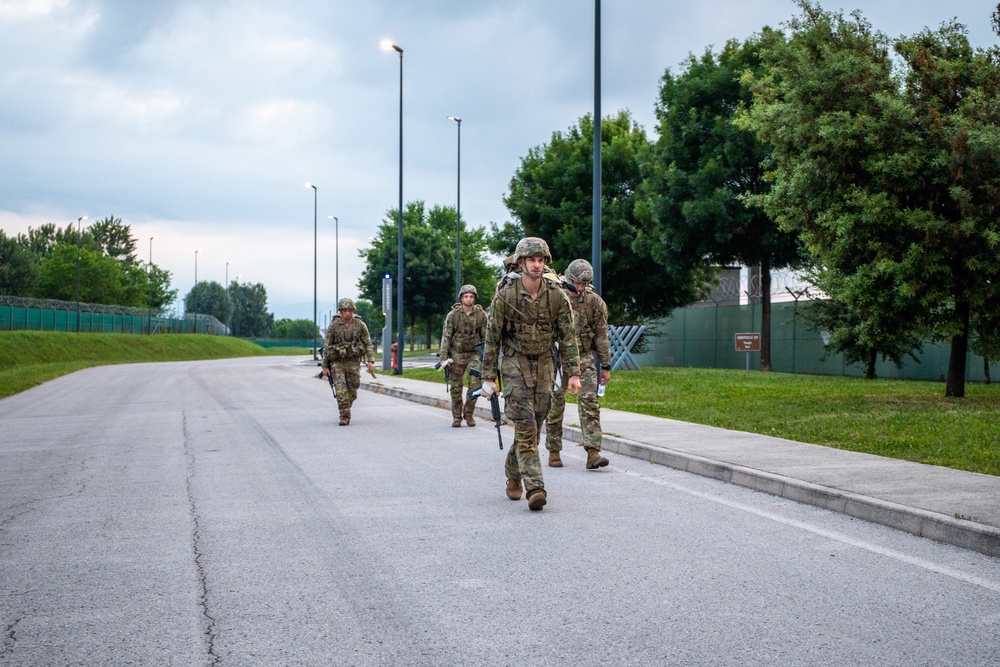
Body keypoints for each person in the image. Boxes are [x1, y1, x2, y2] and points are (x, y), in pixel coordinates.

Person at [481, 237, 581, 511]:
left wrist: (573, 373)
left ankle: (513, 473)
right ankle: (535, 488)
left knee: (534, 429)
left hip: (546, 363)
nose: (536, 265)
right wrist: (488, 378)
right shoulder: (506, 295)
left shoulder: (556, 295)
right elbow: (492, 338)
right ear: (521, 262)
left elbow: (568, 337)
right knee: (525, 427)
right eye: (531, 260)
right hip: (514, 363)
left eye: (540, 260)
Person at [545, 259, 611, 470]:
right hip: (557, 358)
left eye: (584, 284)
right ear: (568, 278)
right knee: (554, 405)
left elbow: (601, 336)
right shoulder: (554, 297)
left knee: (589, 403)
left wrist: (606, 366)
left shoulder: (594, 302)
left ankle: (593, 452)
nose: (580, 288)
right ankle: (553, 450)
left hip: (583, 359)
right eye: (576, 283)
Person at [321, 298, 375, 426]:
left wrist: (370, 360)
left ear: (352, 311)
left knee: (353, 389)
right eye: (344, 310)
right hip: (337, 362)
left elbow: (368, 343)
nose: (347, 313)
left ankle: (346, 406)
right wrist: (325, 365)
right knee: (340, 389)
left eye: (349, 310)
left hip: (353, 362)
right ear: (340, 311)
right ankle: (344, 416)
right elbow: (327, 346)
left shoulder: (360, 325)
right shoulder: (334, 325)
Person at [438, 284, 487, 427]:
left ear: (475, 298)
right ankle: (457, 416)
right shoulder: (453, 315)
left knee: (475, 386)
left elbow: (485, 337)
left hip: (474, 354)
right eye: (466, 296)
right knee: (456, 387)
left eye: (471, 296)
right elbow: (446, 336)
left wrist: (488, 356)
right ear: (461, 298)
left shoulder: (481, 315)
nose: (469, 299)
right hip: (457, 354)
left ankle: (469, 413)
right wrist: (443, 358)